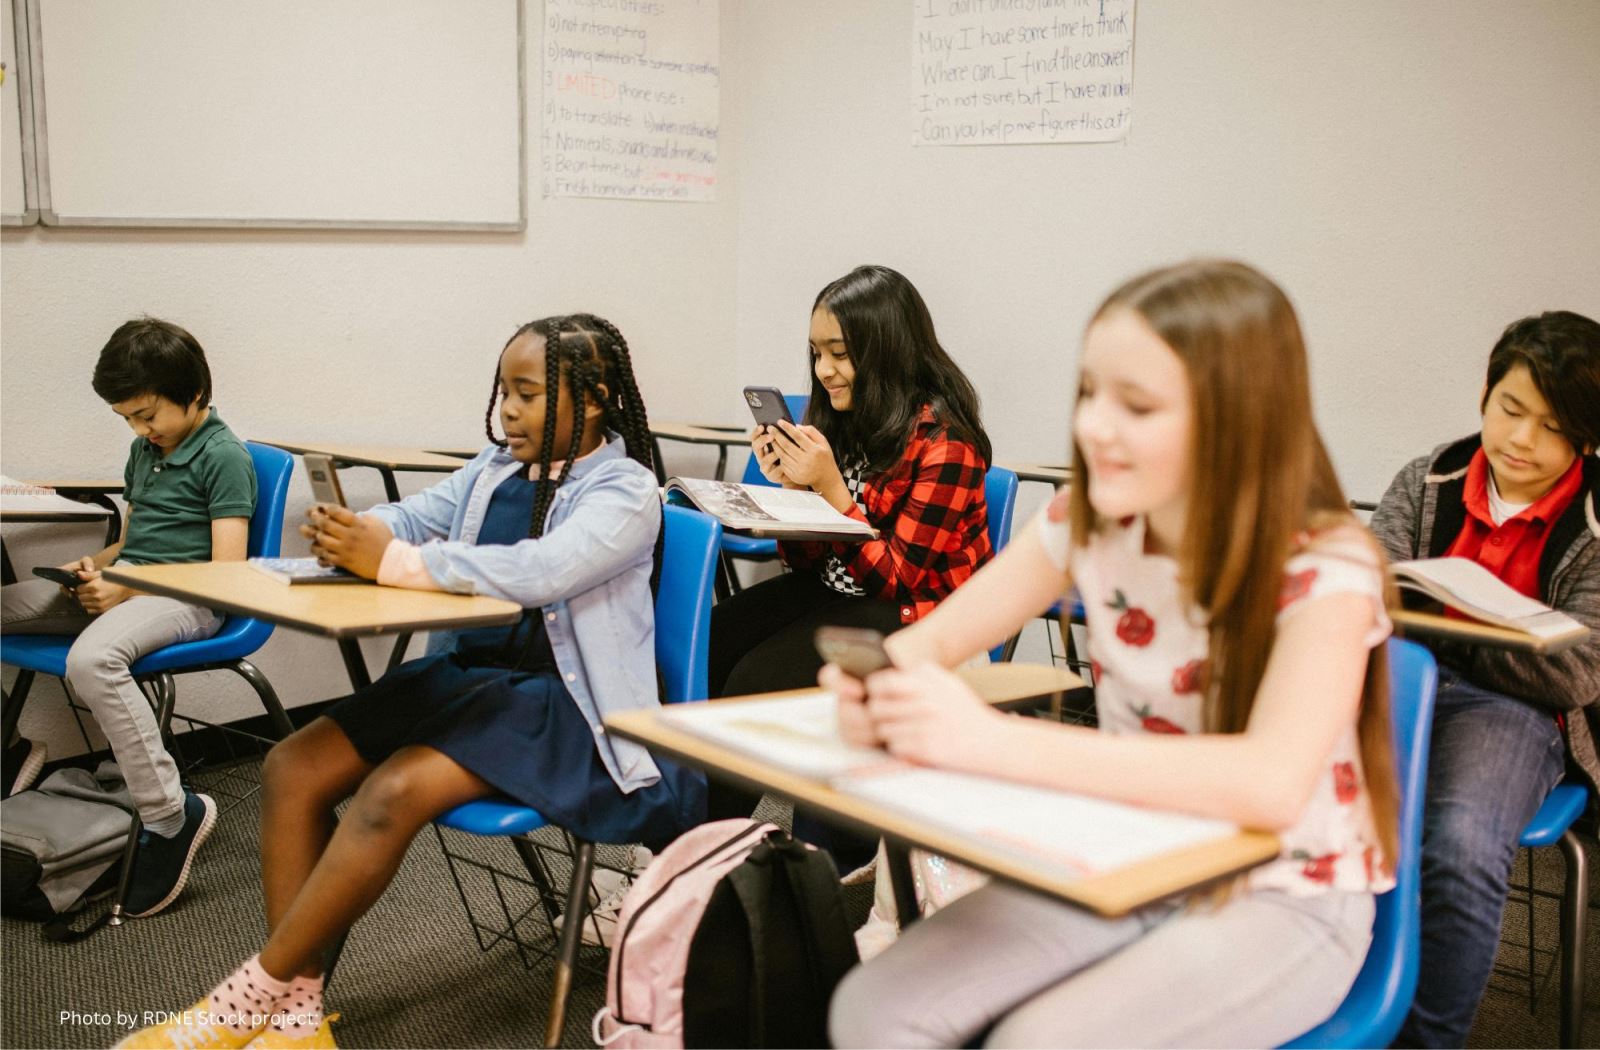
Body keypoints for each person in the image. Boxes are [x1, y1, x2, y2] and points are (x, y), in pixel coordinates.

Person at [827, 260, 1399, 1048]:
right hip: (1134, 855)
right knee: (873, 1008)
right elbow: (929, 641)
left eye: (1137, 405)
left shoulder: (1327, 564)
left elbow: (1268, 784)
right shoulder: (1088, 518)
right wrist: (879, 686)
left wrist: (993, 742)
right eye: (1091, 393)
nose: (1095, 426)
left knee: (1037, 1042)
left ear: (1236, 418)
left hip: (1288, 893)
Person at [119, 314, 700, 1049]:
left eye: (527, 394)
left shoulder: (625, 491)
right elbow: (413, 517)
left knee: (392, 789)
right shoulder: (494, 470)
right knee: (291, 766)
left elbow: (543, 570)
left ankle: (248, 998)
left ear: (591, 400)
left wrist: (390, 560)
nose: (507, 412)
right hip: (474, 680)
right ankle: (297, 1020)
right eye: (504, 392)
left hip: (568, 709)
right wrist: (359, 532)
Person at [705, 265, 994, 866]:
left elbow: (899, 579)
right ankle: (687, 845)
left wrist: (834, 493)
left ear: (885, 351)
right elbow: (808, 560)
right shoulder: (842, 419)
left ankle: (703, 864)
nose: (823, 371)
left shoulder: (947, 444)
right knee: (712, 641)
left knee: (747, 687)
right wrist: (792, 492)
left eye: (840, 353)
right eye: (816, 353)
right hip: (843, 595)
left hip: (919, 615)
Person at [1372, 311, 1600, 1048]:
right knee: (1298, 797)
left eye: (1554, 426)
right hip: (1402, 681)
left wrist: (1450, 639)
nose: (1522, 440)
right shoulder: (1431, 477)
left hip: (1519, 711)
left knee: (1461, 845)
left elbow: (1574, 671)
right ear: (1484, 393)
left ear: (1587, 438)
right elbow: (1370, 598)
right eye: (1510, 409)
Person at [1, 317, 255, 916]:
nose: (140, 431)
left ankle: (172, 814)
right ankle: (10, 751)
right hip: (131, 587)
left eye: (147, 415)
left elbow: (226, 573)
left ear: (193, 394)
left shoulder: (225, 457)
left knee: (93, 659)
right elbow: (134, 542)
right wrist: (95, 565)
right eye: (128, 421)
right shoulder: (145, 450)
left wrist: (128, 590)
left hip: (193, 600)